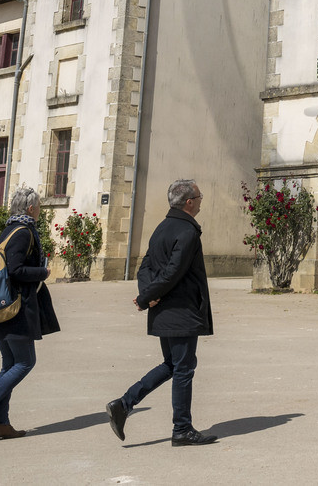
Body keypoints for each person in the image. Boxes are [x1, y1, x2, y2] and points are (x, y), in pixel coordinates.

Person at [105, 178, 217, 446]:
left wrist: (150, 295)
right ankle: (182, 429)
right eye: (200, 197)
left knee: (173, 365)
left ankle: (124, 404)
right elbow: (172, 272)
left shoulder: (163, 228)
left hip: (166, 309)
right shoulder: (187, 231)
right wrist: (148, 297)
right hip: (181, 311)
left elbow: (145, 268)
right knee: (183, 368)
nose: (201, 201)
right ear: (189, 202)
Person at [0, 186, 60, 441]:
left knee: (9, 365)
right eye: (38, 206)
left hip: (2, 308)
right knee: (25, 362)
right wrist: (43, 273)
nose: (40, 210)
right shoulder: (23, 232)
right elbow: (16, 269)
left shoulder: (9, 229)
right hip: (16, 310)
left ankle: (1, 423)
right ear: (30, 208)